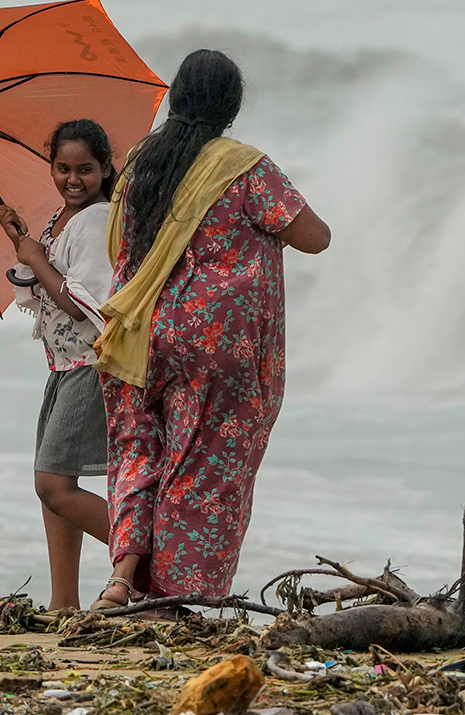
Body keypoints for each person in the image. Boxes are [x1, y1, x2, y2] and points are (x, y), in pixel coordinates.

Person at [90, 49, 330, 612]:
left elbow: (118, 244)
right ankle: (173, 601)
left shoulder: (141, 163)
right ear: (230, 106)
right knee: (202, 468)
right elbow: (315, 236)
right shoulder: (243, 166)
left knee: (138, 455)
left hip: (138, 334)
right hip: (217, 344)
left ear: (176, 97)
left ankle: (122, 580)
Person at [0, 119, 116, 611]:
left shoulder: (97, 218)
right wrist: (23, 244)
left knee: (52, 482)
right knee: (54, 486)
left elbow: (83, 301)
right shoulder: (60, 220)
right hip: (62, 366)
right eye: (62, 168)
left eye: (85, 169)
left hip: (91, 364)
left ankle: (154, 556)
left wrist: (36, 258)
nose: (73, 179)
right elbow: (37, 292)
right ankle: (63, 602)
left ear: (106, 168)